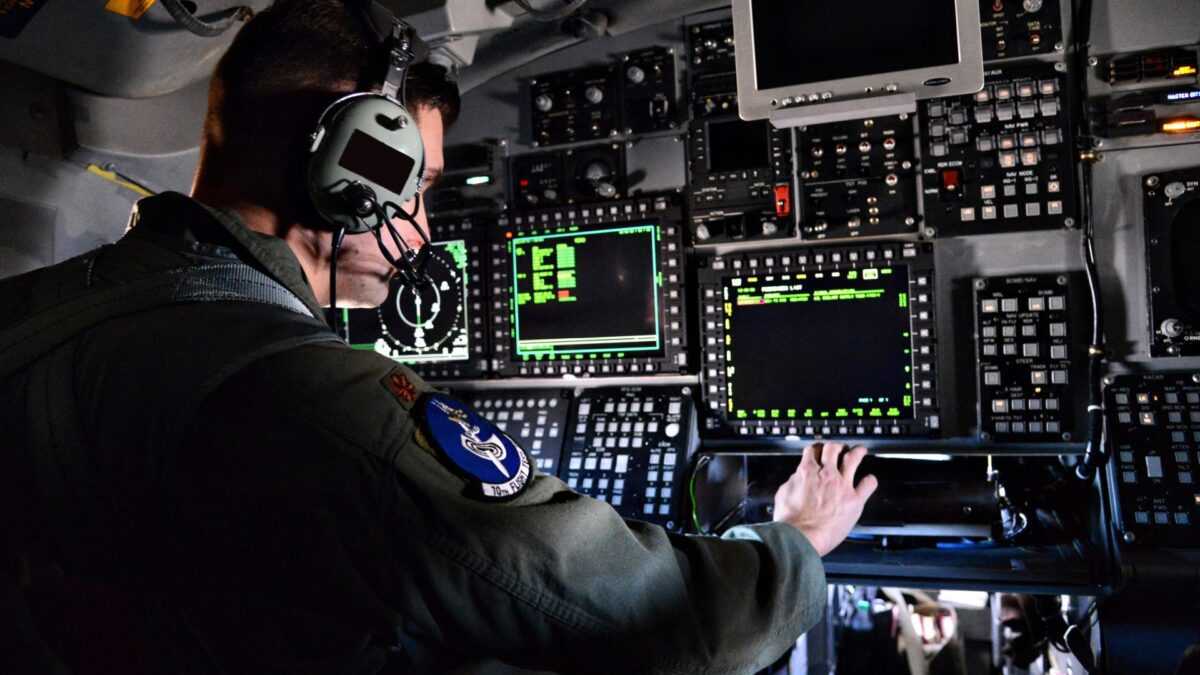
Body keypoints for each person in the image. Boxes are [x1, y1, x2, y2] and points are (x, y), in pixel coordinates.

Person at [0, 1, 878, 673]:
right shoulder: (317, 401)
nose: (420, 229)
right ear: (342, 159)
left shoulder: (34, 310)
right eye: (412, 187)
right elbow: (668, 620)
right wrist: (794, 542)